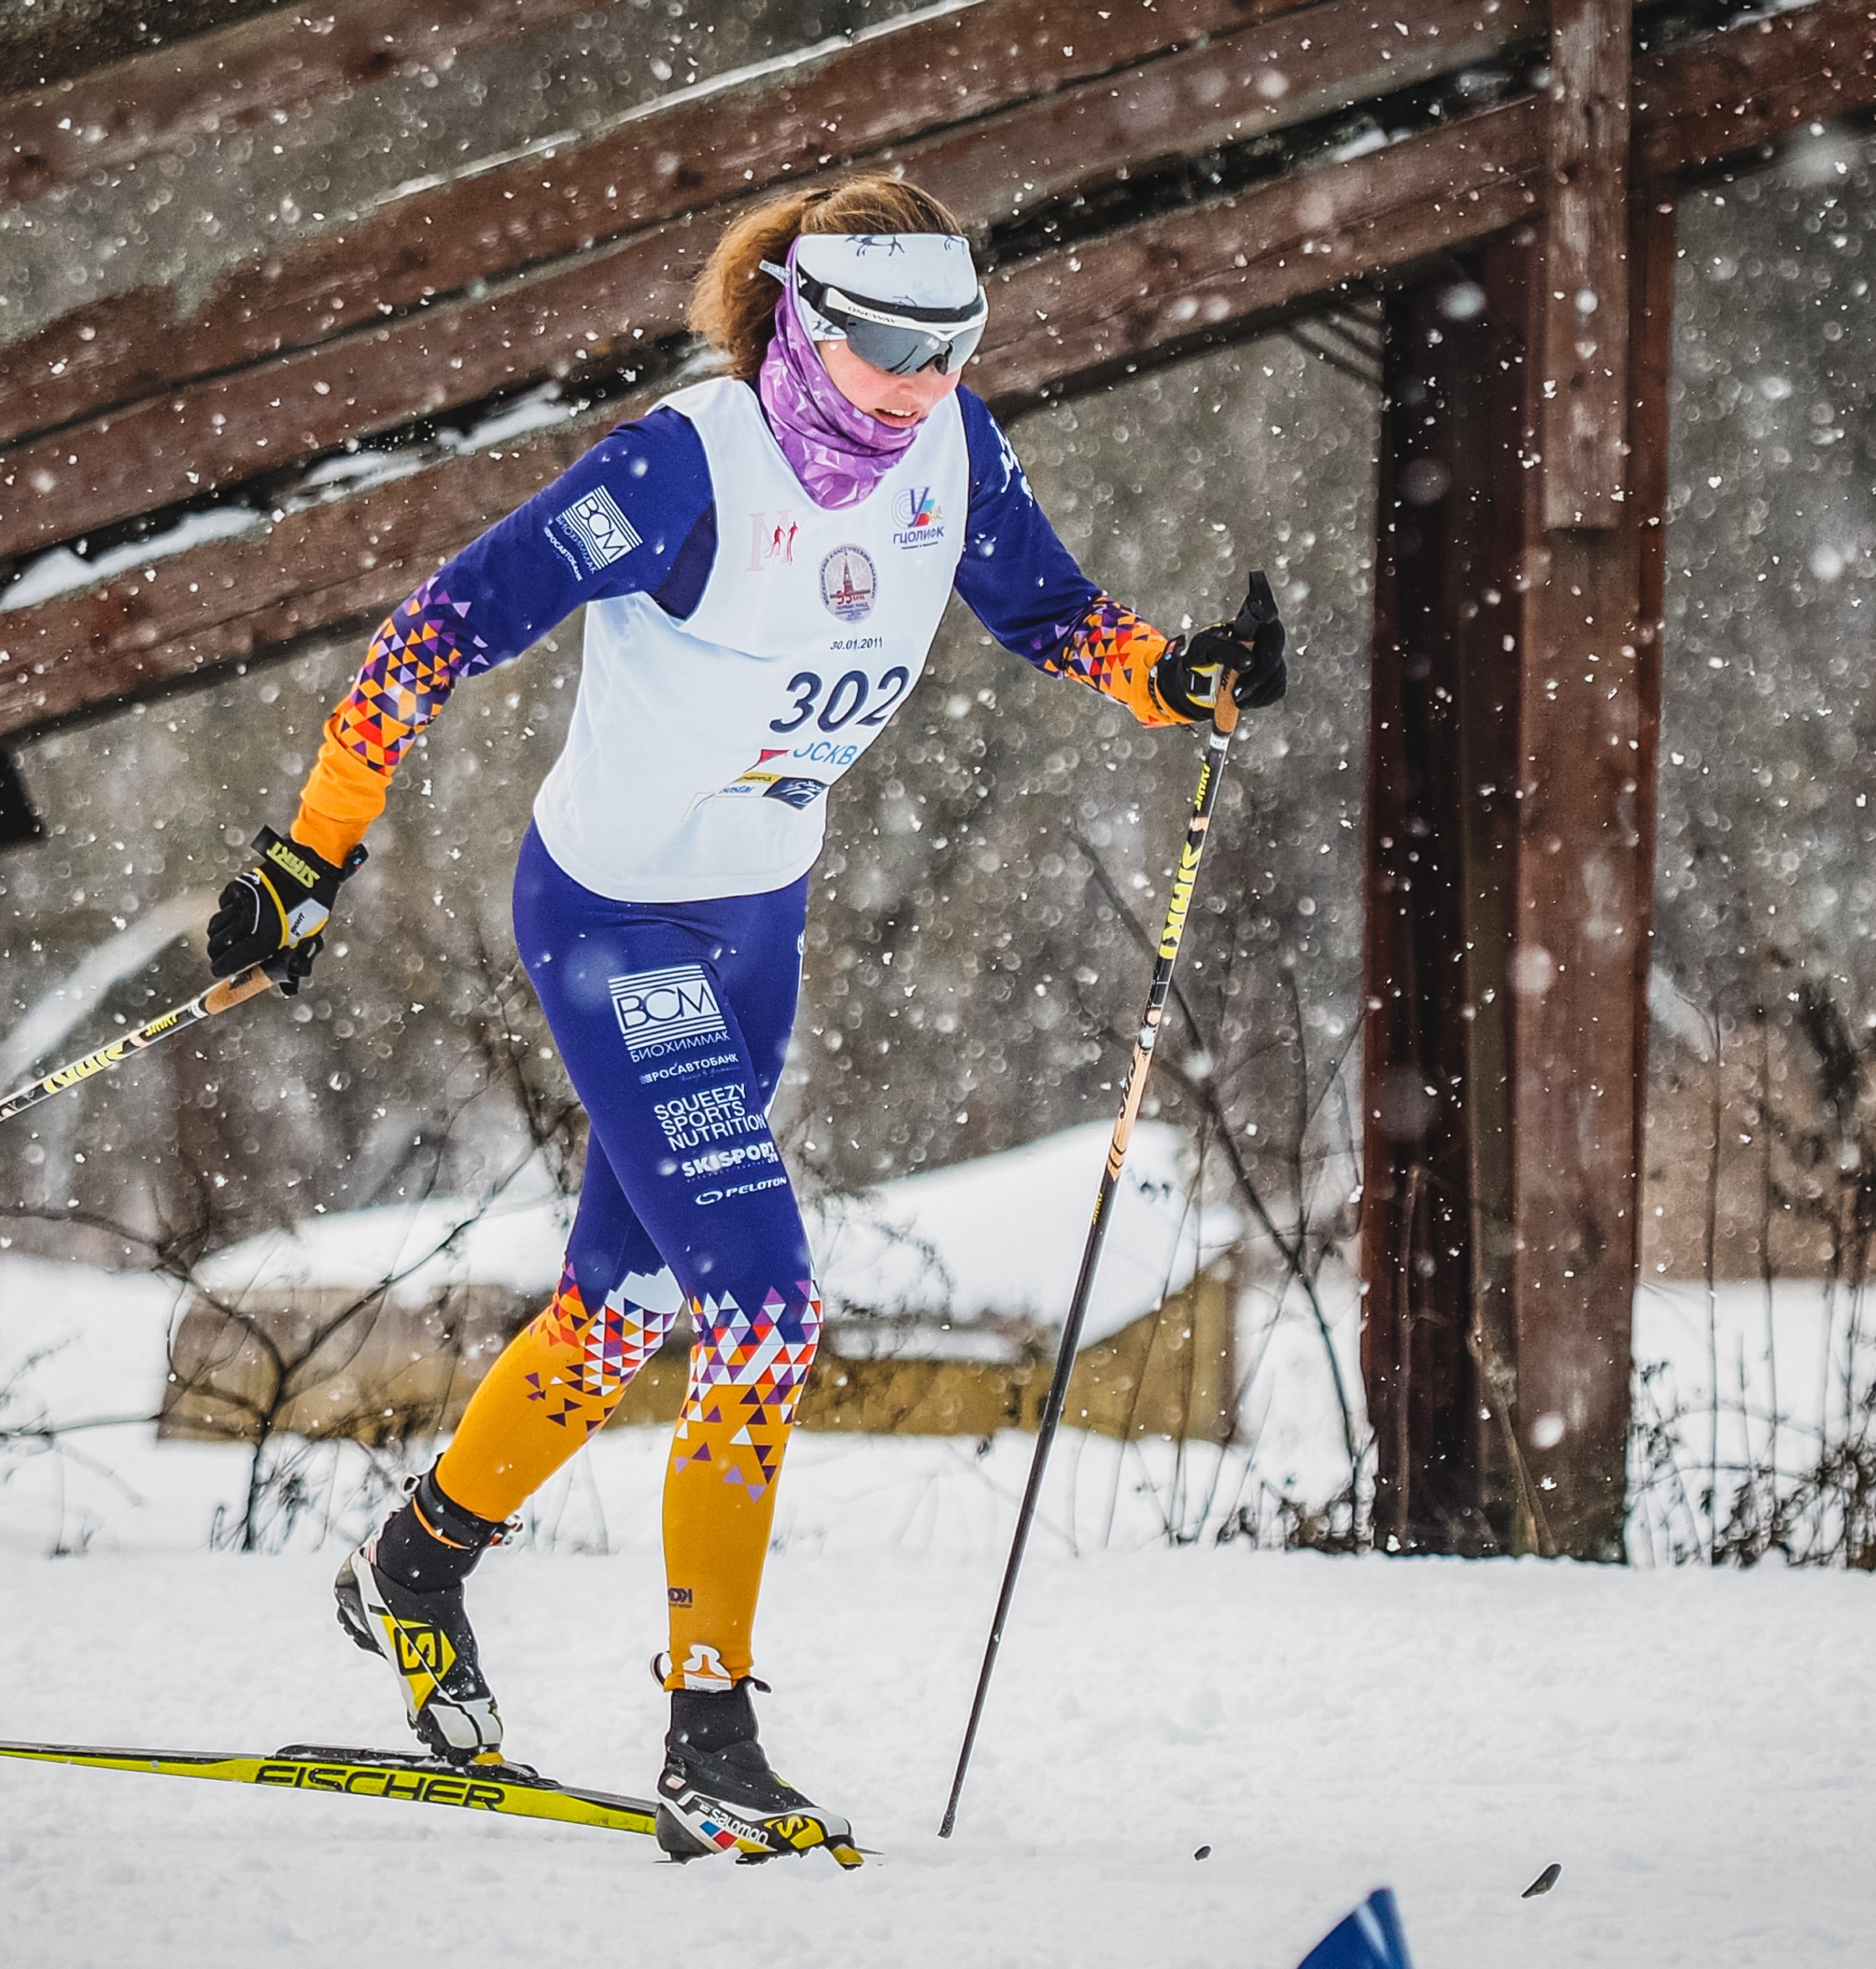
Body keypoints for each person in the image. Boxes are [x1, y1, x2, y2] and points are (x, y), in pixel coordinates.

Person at [206, 174, 1286, 1865]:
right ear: (797, 315)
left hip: (752, 929)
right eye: (882, 353)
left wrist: (1176, 675)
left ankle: (412, 1560)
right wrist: (307, 852)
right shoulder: (679, 468)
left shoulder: (951, 457)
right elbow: (432, 631)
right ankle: (708, 1735)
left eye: (954, 350)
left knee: (622, 1306)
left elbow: (1052, 613)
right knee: (765, 1305)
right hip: (609, 920)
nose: (917, 388)